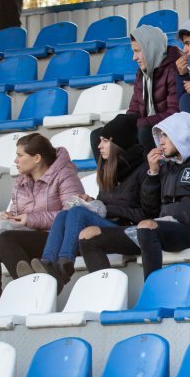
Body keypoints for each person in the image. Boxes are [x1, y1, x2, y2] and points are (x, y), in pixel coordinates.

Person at [79, 112, 190, 280]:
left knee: (147, 227)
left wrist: (177, 219)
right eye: (160, 136)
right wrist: (152, 173)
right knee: (89, 235)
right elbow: (150, 211)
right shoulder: (165, 168)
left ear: (182, 135)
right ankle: (105, 291)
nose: (161, 141)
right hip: (158, 231)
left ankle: (152, 289)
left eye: (166, 135)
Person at [26, 116, 148, 288]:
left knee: (77, 213)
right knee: (64, 214)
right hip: (110, 225)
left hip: (128, 231)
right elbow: (104, 203)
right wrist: (92, 202)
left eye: (105, 141)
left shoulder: (143, 170)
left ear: (118, 143)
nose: (99, 146)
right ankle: (48, 262)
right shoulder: (109, 169)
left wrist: (107, 209)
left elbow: (145, 215)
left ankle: (65, 263)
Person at [0, 134, 82, 308]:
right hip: (29, 235)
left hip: (57, 238)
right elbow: (20, 213)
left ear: (37, 158)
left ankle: (33, 292)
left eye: (20, 155)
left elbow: (72, 215)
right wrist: (10, 216)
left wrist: (30, 219)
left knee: (6, 239)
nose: (15, 160)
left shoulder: (65, 175)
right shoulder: (21, 181)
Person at [91, 25, 180, 158]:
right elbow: (134, 110)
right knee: (98, 135)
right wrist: (120, 126)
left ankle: (153, 170)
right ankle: (110, 172)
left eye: (138, 51)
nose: (134, 57)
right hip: (144, 126)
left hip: (166, 131)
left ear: (150, 49)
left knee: (144, 131)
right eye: (134, 51)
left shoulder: (174, 70)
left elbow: (175, 112)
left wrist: (142, 122)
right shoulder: (141, 74)